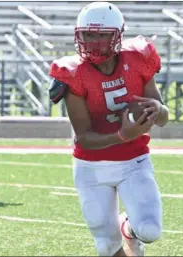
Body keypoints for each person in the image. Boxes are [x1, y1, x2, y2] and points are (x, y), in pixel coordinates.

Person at [48, 2, 168, 256]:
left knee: (150, 230)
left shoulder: (137, 58)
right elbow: (84, 138)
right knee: (106, 246)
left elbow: (163, 117)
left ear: (117, 35)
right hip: (91, 167)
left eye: (102, 34)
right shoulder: (73, 72)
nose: (94, 42)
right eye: (88, 35)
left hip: (134, 160)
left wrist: (159, 108)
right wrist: (123, 134)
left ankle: (129, 229)